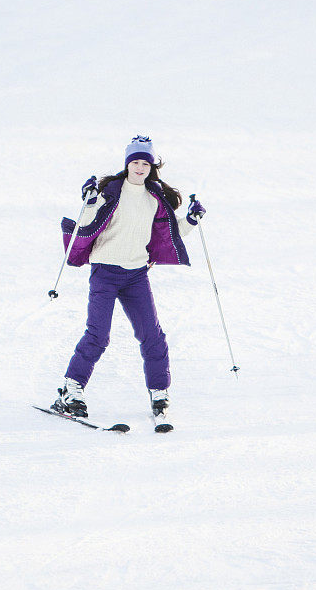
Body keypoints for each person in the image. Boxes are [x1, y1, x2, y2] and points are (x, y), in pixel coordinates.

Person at [52, 135, 206, 424]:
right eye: (134, 162)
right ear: (127, 164)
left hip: (136, 275)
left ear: (151, 167)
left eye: (144, 163)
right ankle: (71, 390)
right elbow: (85, 224)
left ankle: (159, 392)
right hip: (105, 273)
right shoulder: (110, 193)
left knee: (152, 334)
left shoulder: (154, 199)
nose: (139, 167)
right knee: (98, 335)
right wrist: (88, 200)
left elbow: (166, 235)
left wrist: (192, 221)